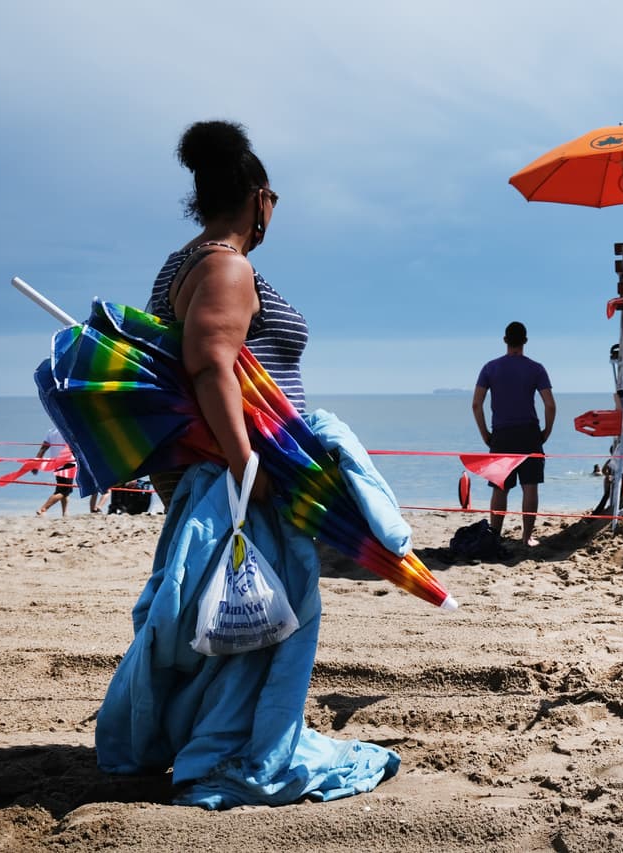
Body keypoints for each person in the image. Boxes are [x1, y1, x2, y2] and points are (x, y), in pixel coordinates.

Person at [95, 120, 402, 809]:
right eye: (275, 202)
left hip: (221, 472)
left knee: (231, 614)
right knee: (270, 613)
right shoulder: (225, 266)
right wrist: (248, 465)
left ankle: (210, 739)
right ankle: (238, 755)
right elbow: (210, 362)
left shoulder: (182, 262)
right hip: (247, 476)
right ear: (259, 198)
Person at [472, 321, 556, 547]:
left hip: (502, 434)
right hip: (529, 432)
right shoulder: (536, 368)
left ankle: (495, 536)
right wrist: (546, 432)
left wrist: (485, 434)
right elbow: (550, 405)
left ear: (505, 340)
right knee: (530, 487)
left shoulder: (490, 368)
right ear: (525, 341)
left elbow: (476, 405)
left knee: (501, 488)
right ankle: (527, 537)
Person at [34, 425, 75, 516]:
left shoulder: (51, 431)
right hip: (68, 463)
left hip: (56, 463)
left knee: (63, 489)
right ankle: (43, 509)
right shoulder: (68, 430)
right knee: (64, 490)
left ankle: (65, 513)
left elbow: (43, 449)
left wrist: (36, 464)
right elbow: (75, 446)